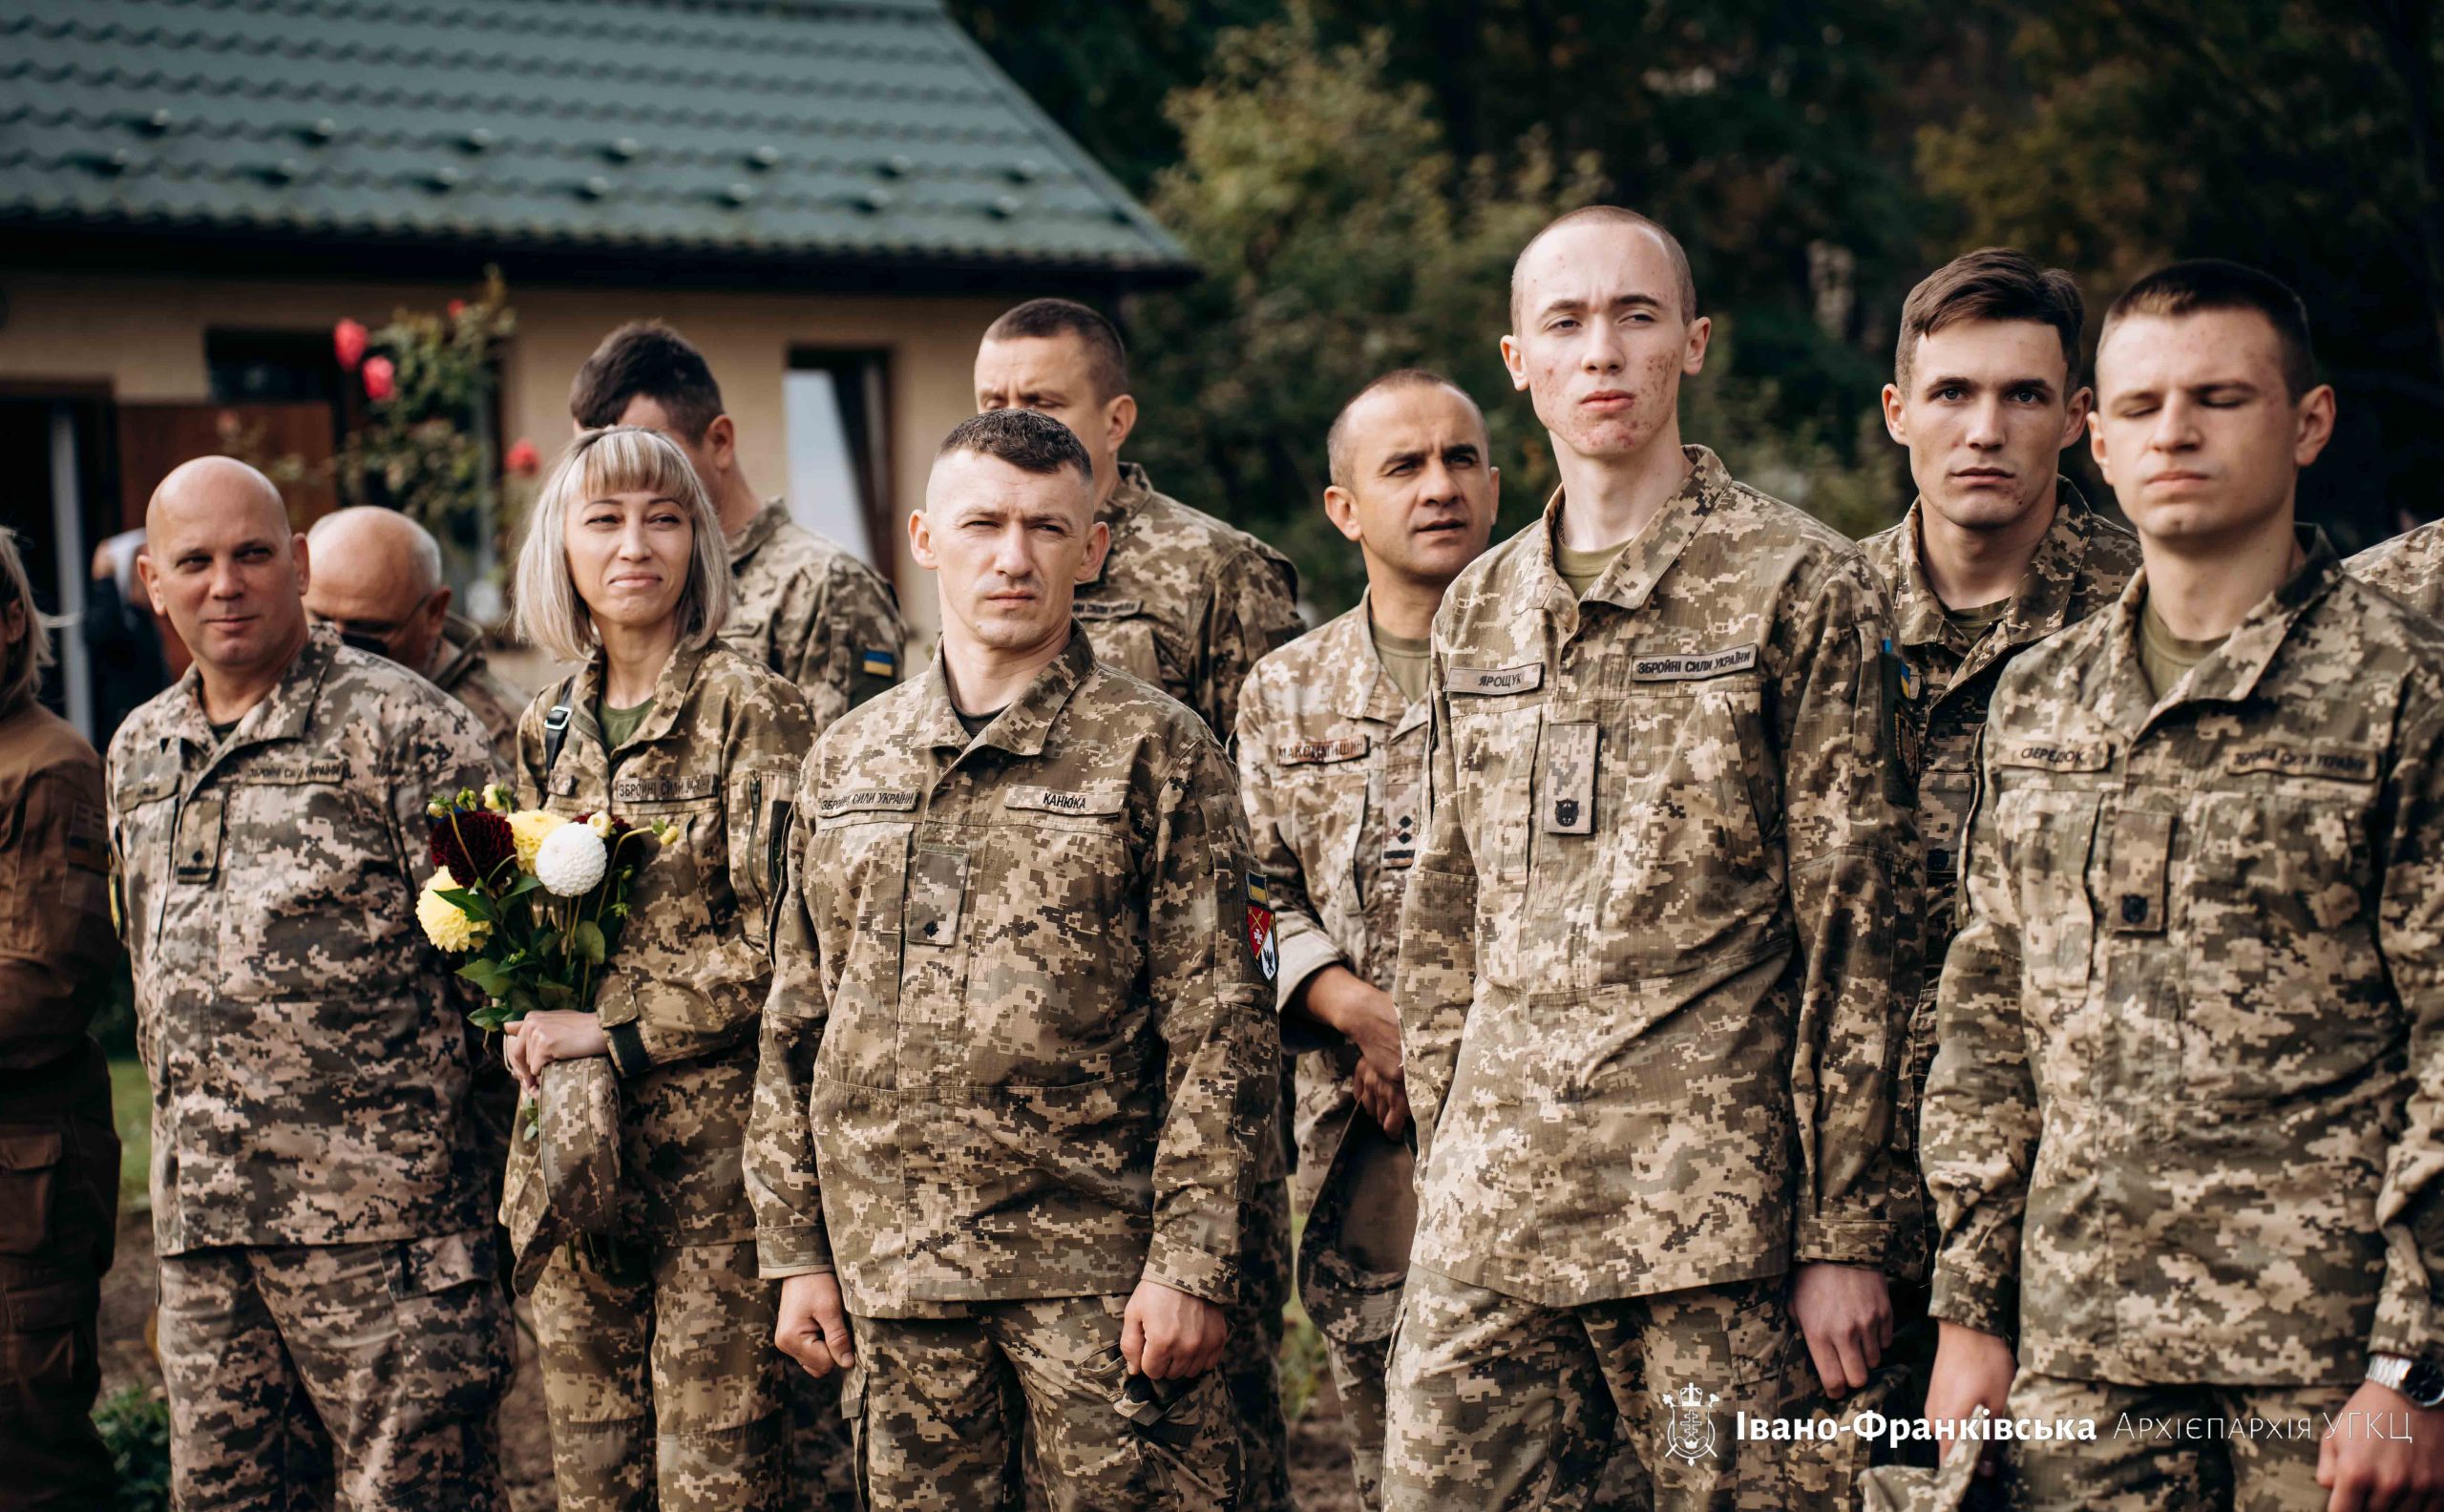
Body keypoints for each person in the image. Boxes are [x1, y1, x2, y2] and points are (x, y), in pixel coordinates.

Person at [1382, 205, 1911, 1511]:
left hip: (1713, 1233)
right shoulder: (1481, 606)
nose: (1602, 351)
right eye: (1565, 323)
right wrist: (1448, 1160)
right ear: (1519, 361)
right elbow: (1444, 916)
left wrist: (1846, 1230)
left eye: (1636, 316)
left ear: (1695, 341)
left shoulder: (1801, 584)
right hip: (1494, 1221)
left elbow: (1856, 928)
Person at [1921, 260, 2444, 1511]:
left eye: (2219, 399)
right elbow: (1989, 1022)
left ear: (2307, 423)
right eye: (2142, 407)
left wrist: (2414, 1366)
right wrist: (1970, 1313)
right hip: (2081, 1356)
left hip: (2319, 1366)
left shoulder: (2405, 691)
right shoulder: (2042, 699)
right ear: (2097, 439)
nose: (2176, 434)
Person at [747, 409, 1274, 1509]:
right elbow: (797, 1018)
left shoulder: (1158, 751)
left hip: (1098, 1276)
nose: (1012, 556)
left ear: (1093, 549)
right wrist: (796, 1250)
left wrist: (1191, 1263)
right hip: (896, 1276)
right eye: (982, 524)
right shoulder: (848, 758)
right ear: (925, 538)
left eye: (1046, 528)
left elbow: (1220, 1027)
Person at [105, 456, 511, 1509]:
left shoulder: (412, 729)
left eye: (251, 555)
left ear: (296, 563)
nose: (225, 584)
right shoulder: (140, 750)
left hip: (390, 1243)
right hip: (208, 1243)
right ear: (153, 582)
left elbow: (511, 986)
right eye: (195, 562)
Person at [978, 297, 1306, 1509]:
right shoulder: (982, 552)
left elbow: (1267, 828)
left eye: (1042, 402)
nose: (1012, 421)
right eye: (992, 402)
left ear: (1115, 419)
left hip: (1184, 1054)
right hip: (1032, 1082)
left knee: (1211, 1414)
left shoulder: (1216, 571)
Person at [501, 427, 816, 1512]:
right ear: (564, 546)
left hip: (713, 1180)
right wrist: (523, 1012)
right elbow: (523, 924)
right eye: (604, 520)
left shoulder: (754, 710)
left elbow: (789, 943)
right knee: (592, 1482)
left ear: (698, 542)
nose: (634, 545)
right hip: (574, 1163)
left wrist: (615, 1029)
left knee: (715, 1485)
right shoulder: (547, 724)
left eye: (664, 518)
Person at [1858, 249, 2140, 1361]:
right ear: (1898, 412)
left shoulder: (2145, 612)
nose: (1985, 430)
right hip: (1849, 1211)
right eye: (1951, 393)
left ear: (2075, 417)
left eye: (2023, 395)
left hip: (2085, 1208)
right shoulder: (1818, 614)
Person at [1233, 368, 1499, 1508]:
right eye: (1404, 466)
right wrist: (1350, 1010)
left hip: (1533, 1126)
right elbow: (1245, 898)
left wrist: (1427, 1038)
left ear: (1495, 485)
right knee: (1396, 1460)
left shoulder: (1556, 658)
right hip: (1362, 1140)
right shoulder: (1284, 692)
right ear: (1344, 509)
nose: (1439, 486)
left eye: (1459, 459)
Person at [571, 320, 904, 737]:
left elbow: (842, 765)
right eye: (596, 459)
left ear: (720, 442)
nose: (623, 480)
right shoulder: (627, 579)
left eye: (652, 452)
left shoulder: (825, 586)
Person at [0, 527, 121, 1511]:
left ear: (10, 621)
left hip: (21, 1172)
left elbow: (40, 986)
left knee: (29, 1452)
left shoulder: (48, 765)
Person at [303, 505, 528, 769]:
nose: (337, 647)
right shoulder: (282, 687)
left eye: (366, 628)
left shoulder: (510, 739)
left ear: (434, 612)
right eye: (319, 619)